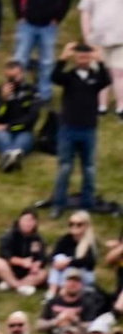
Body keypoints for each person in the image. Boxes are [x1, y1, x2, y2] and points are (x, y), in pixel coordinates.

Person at [48, 42, 111, 217]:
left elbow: (107, 80)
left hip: (89, 129)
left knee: (89, 168)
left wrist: (101, 62)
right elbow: (54, 77)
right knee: (65, 168)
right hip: (68, 128)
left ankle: (87, 204)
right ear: (75, 58)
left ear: (90, 58)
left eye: (86, 56)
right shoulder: (69, 77)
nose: (83, 59)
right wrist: (62, 58)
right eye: (80, 56)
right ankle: (58, 204)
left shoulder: (95, 77)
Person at [0, 58, 40, 172]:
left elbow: (32, 118)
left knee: (23, 140)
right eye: (9, 78)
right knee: (2, 137)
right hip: (3, 133)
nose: (13, 81)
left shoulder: (32, 91)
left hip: (24, 131)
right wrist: (4, 101)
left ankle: (7, 159)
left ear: (22, 73)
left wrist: (9, 126)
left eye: (15, 77)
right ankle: (12, 158)